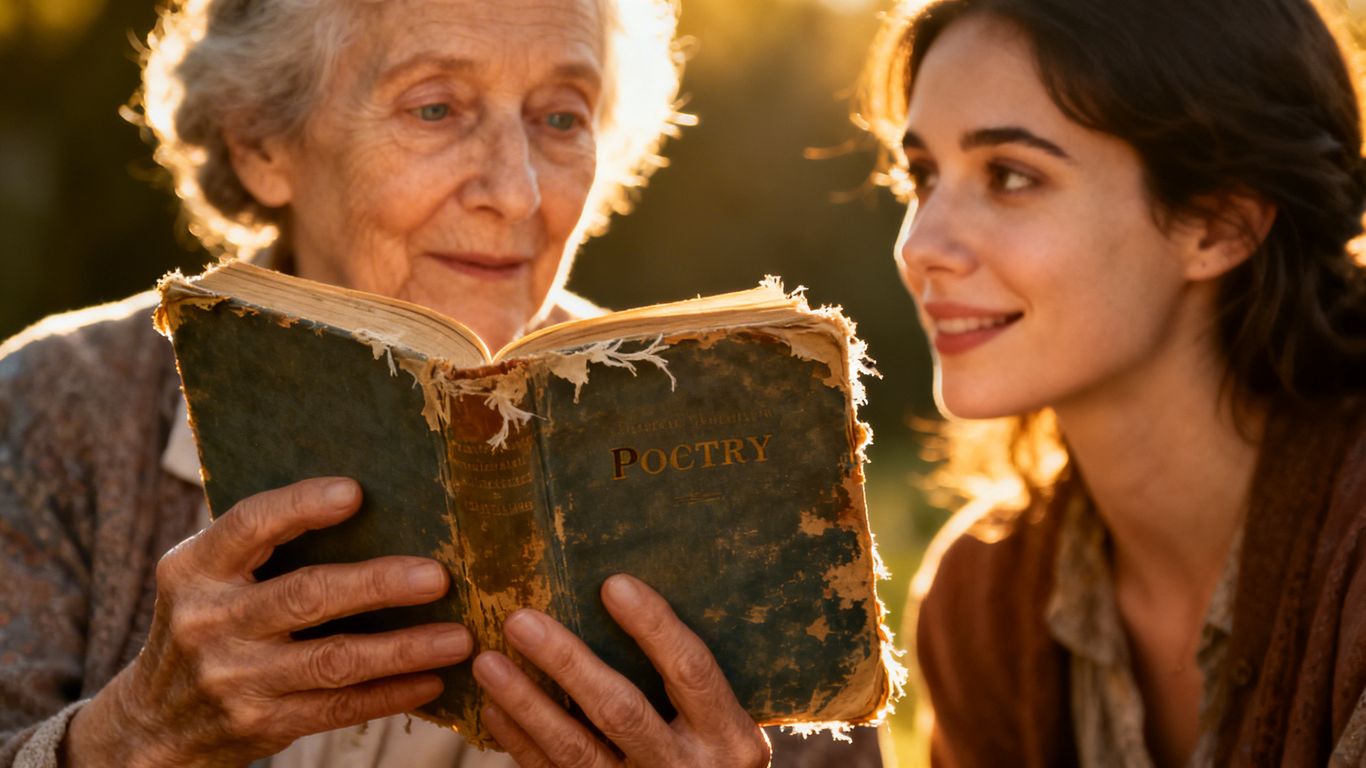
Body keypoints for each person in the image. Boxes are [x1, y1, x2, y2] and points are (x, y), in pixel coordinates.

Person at [0, 0, 883, 766]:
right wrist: (131, 739)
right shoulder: (54, 406)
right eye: (435, 108)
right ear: (261, 141)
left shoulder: (728, 416)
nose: (520, 191)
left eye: (563, 118)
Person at [857, 0, 1366, 764]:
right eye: (922, 175)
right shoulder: (981, 602)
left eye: (1010, 175)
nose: (920, 245)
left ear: (1221, 224)